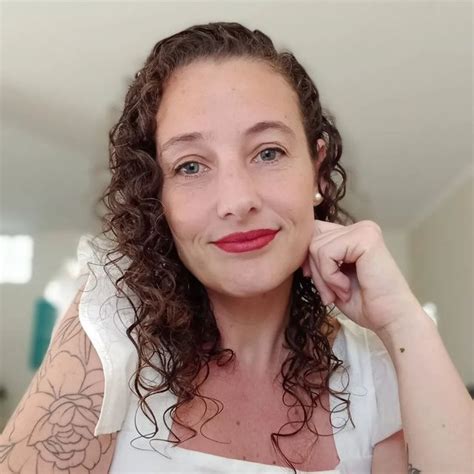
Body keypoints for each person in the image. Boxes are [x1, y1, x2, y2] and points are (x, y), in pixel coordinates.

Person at [1, 21, 471, 474]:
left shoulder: (371, 372)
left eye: (268, 153)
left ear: (318, 171)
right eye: (190, 166)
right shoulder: (111, 327)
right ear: (156, 196)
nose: (237, 201)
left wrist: (404, 322)